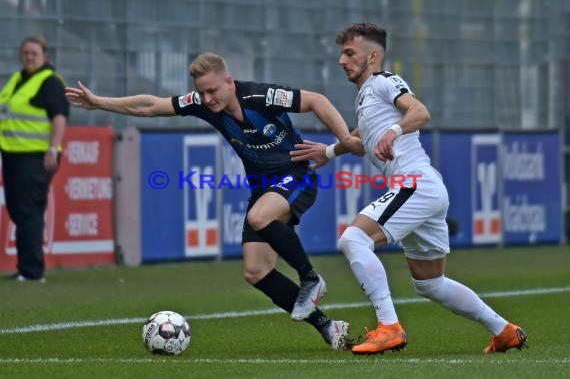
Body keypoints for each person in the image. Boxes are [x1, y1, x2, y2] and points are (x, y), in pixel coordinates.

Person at [65, 52, 363, 350]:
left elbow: (317, 101)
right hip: (263, 187)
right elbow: (151, 105)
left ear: (229, 82)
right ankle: (328, 326)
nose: (207, 98)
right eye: (202, 92)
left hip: (298, 174)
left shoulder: (261, 96)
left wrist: (343, 141)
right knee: (256, 271)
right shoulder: (201, 104)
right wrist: (100, 102)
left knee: (259, 218)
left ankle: (310, 278)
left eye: (212, 90)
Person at [291, 23, 528, 354]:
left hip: (413, 182)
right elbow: (360, 140)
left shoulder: (384, 81)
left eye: (349, 53)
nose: (342, 60)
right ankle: (504, 331)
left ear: (373, 56)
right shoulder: (367, 96)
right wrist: (330, 151)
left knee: (353, 238)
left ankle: (389, 326)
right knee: (430, 282)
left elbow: (420, 112)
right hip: (425, 188)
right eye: (341, 54)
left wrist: (395, 130)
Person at [0, 36, 68, 282]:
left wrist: (53, 149)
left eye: (34, 53)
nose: (29, 57)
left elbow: (59, 117)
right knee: (19, 210)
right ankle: (26, 266)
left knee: (28, 210)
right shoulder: (18, 79)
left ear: (44, 56)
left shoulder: (49, 81)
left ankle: (32, 272)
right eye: (25, 52)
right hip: (13, 154)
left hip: (36, 156)